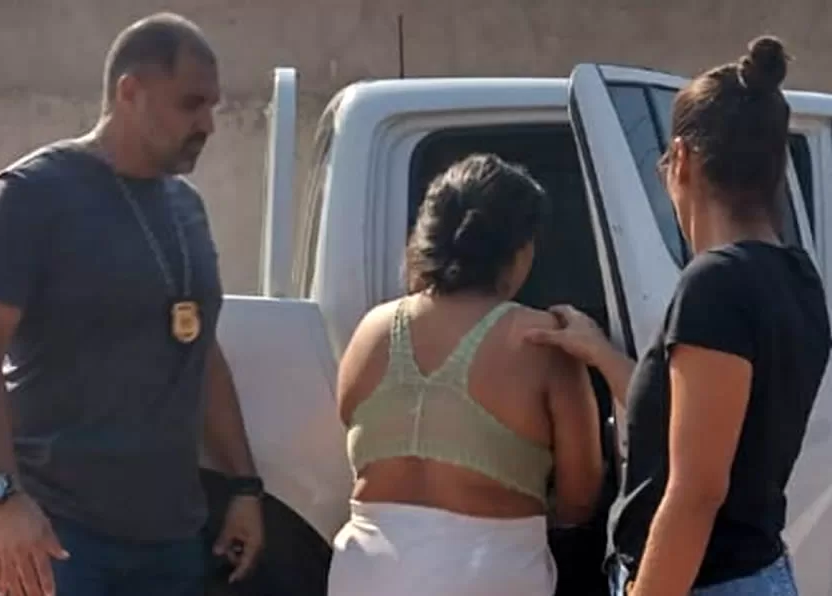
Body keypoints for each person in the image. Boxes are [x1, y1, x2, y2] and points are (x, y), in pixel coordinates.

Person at [0, 12, 265, 596]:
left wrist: (245, 485)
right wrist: (1, 495)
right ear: (130, 92)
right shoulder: (33, 194)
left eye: (212, 106)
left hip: (172, 539)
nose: (208, 124)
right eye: (191, 104)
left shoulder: (187, 209)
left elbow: (200, 354)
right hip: (60, 537)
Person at [527, 36, 831, 595]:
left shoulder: (716, 284)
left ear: (683, 158)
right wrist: (600, 352)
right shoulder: (797, 278)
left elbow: (697, 493)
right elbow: (695, 421)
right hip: (751, 572)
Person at [326, 153, 604, 596]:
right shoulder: (543, 340)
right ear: (519, 251)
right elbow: (580, 497)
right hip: (489, 573)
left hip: (364, 573)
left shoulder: (372, 331)